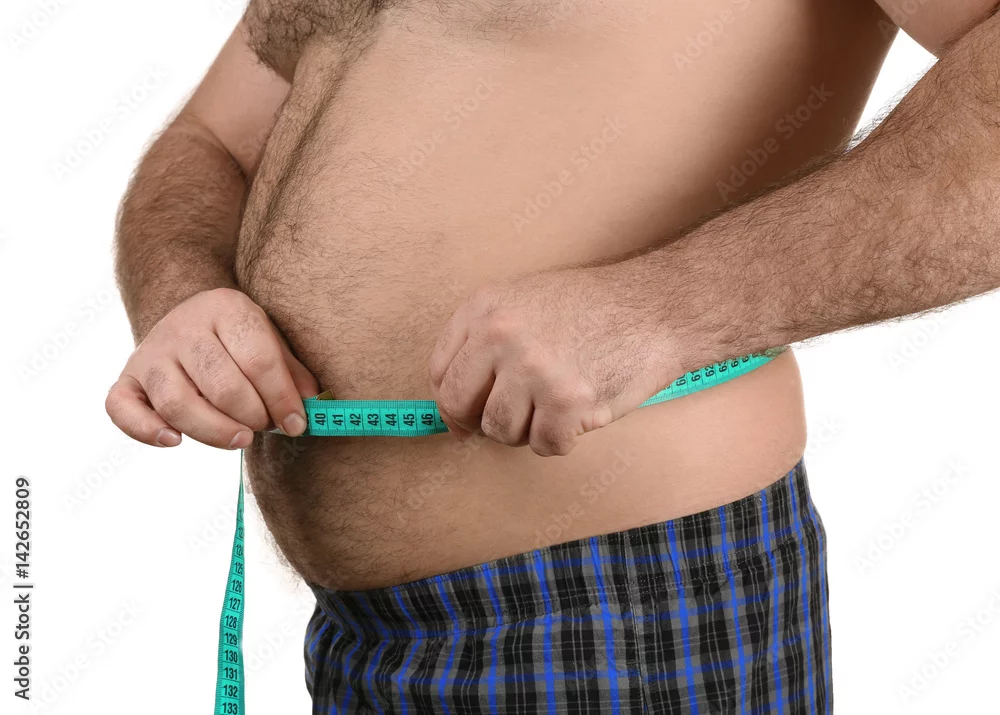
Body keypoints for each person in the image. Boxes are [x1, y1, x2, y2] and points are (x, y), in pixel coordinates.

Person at [105, 0, 1000, 711]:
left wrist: (665, 306)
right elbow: (212, 139)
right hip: (358, 636)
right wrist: (182, 295)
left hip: (622, 600)